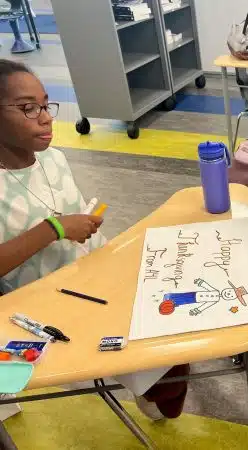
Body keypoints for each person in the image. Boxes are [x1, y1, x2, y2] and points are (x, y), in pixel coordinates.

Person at [0, 59, 189, 421]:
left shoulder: (53, 159)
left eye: (46, 105)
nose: (46, 118)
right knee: (161, 353)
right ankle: (150, 384)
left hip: (101, 271)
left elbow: (68, 212)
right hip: (52, 302)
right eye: (28, 108)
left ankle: (154, 383)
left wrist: (84, 223)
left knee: (176, 310)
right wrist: (55, 229)